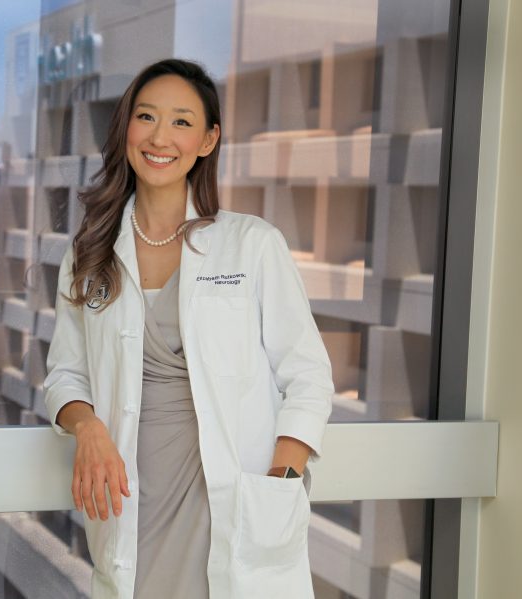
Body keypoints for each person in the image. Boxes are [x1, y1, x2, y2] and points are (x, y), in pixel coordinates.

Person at [43, 58, 334, 599]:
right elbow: (65, 374)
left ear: (207, 140)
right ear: (126, 129)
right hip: (133, 500)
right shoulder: (89, 255)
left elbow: (308, 375)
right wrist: (87, 428)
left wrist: (282, 482)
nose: (160, 137)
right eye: (146, 117)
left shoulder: (251, 244)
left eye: (181, 121)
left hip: (235, 502)